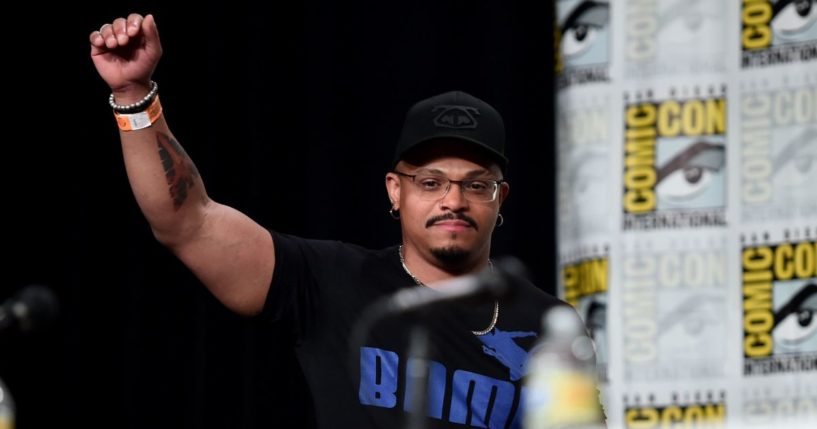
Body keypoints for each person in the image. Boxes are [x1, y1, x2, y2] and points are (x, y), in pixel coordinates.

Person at [90, 13, 570, 429]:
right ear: (395, 190)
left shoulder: (549, 323)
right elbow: (188, 222)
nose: (454, 200)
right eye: (430, 182)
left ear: (500, 198)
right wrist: (134, 96)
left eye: (475, 184)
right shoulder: (331, 281)